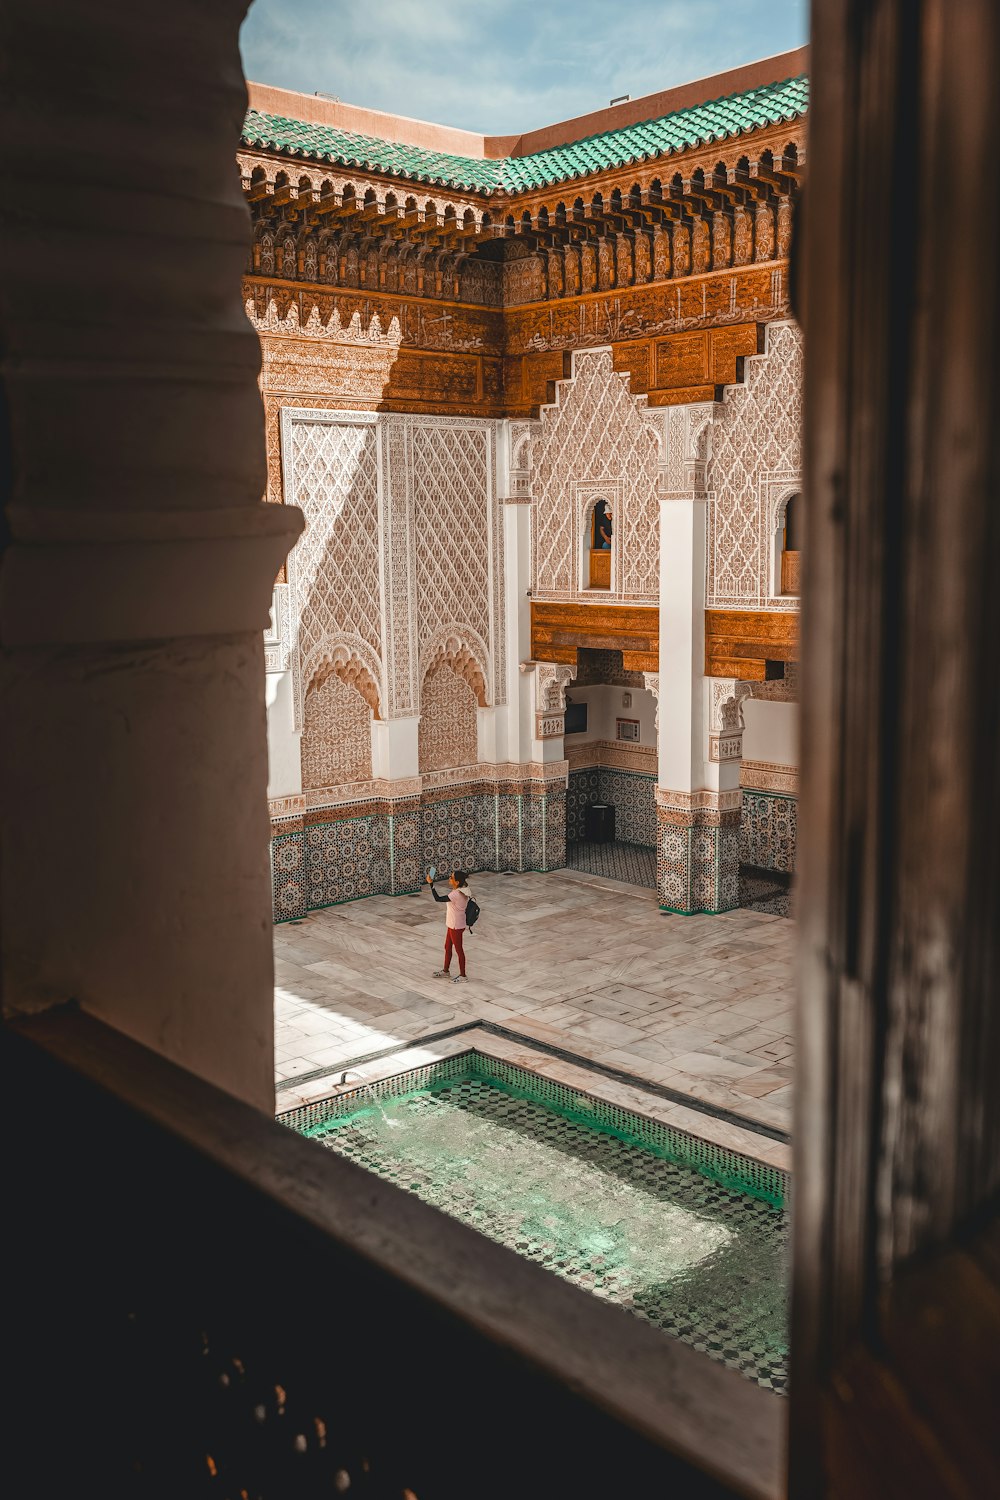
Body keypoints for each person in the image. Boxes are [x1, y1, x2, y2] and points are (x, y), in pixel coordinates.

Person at [426, 868, 471, 982]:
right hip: (453, 924)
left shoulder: (456, 894)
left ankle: (463, 976)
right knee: (447, 947)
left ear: (457, 882)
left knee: (459, 950)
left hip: (455, 926)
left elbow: (438, 898)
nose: (449, 879)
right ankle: (446, 971)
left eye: (451, 878)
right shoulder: (464, 889)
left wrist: (431, 884)